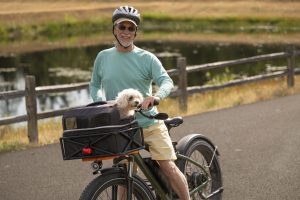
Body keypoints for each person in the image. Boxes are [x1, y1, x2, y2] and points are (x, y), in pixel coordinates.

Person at [89, 5, 190, 200]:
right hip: (122, 126)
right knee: (125, 173)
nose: (126, 32)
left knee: (168, 166)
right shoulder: (103, 57)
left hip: (149, 122)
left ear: (135, 32)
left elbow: (166, 81)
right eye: (122, 27)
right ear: (114, 29)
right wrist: (100, 103)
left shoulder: (146, 58)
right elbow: (94, 85)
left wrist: (156, 97)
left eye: (131, 28)